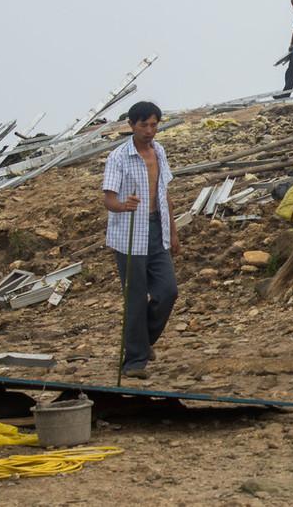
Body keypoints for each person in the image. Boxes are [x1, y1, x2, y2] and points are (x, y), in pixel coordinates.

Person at [101, 101, 179, 380]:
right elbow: (109, 199)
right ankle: (134, 361)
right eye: (144, 125)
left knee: (168, 291)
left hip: (156, 229)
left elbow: (164, 192)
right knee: (135, 298)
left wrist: (173, 230)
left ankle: (142, 342)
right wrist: (124, 205)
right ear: (131, 125)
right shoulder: (119, 157)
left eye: (154, 125)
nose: (150, 130)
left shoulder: (159, 151)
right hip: (129, 233)